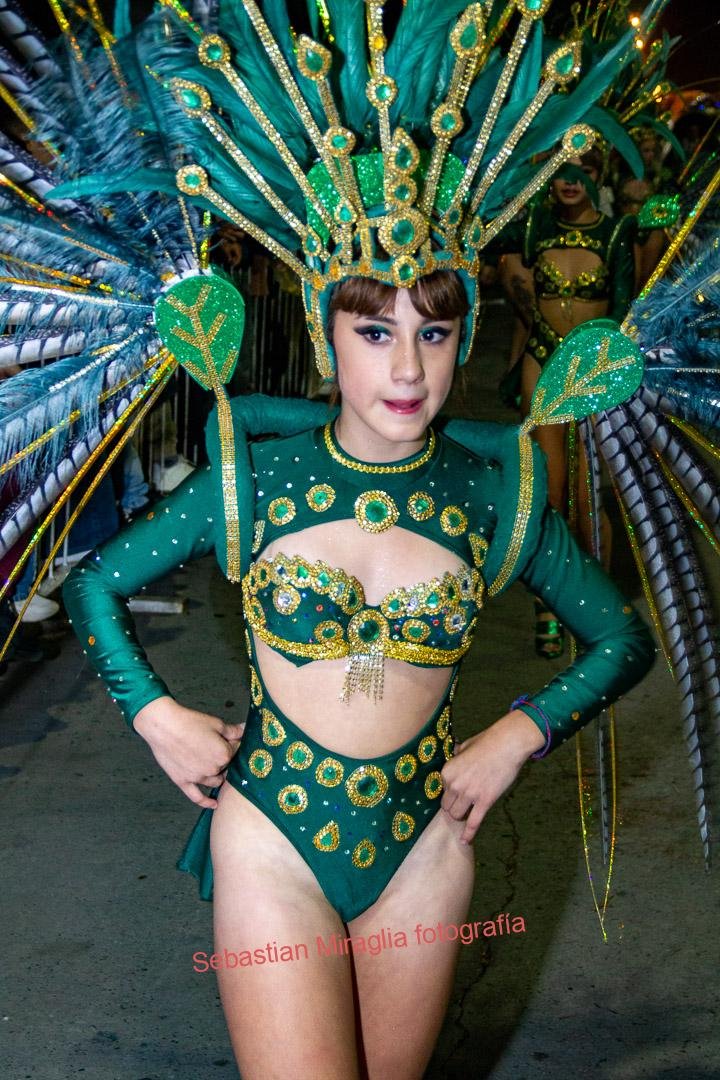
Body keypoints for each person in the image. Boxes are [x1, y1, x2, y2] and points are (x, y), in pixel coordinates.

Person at [62, 263, 655, 1078]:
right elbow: (94, 583)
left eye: (433, 333)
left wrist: (519, 735)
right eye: (375, 333)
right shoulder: (254, 481)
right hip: (273, 841)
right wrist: (156, 716)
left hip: (423, 853)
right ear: (325, 336)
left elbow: (622, 638)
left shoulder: (492, 497)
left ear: (464, 340)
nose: (408, 368)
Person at [500, 149, 636, 656]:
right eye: (560, 171)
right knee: (550, 491)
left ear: (599, 175)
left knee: (590, 493)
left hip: (594, 366)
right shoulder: (535, 228)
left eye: (585, 169)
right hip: (543, 359)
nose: (571, 179)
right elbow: (496, 255)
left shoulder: (615, 234)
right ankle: (549, 604)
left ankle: (598, 607)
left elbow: (624, 308)